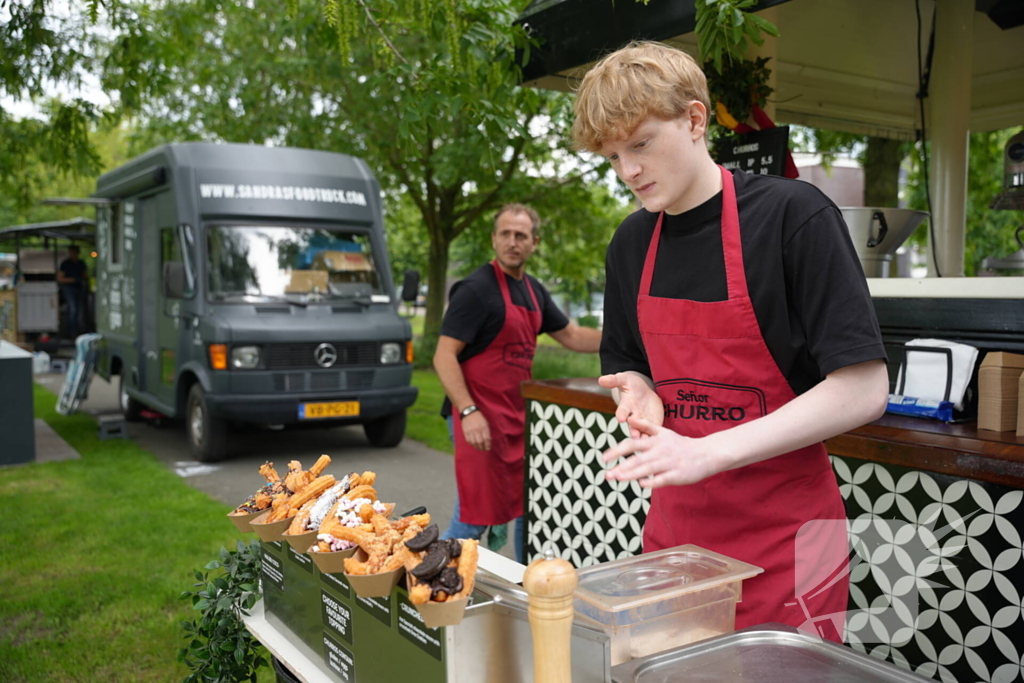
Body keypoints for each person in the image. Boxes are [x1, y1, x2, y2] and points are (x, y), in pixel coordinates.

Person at [572, 42, 890, 639]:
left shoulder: (793, 217)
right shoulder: (631, 244)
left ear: (695, 120)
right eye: (612, 156)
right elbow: (630, 362)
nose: (628, 172)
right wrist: (639, 391)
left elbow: (864, 388)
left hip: (794, 541)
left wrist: (708, 451)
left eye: (640, 144)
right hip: (680, 543)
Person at [433, 204, 602, 563]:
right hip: (475, 417)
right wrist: (469, 411)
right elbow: (443, 356)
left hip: (514, 418)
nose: (513, 242)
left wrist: (628, 338)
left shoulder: (534, 291)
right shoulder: (475, 290)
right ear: (494, 239)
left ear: (534, 242)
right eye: (506, 234)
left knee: (531, 505)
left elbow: (572, 335)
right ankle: (427, 579)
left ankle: (530, 580)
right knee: (473, 519)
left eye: (521, 235)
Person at [57, 245, 88, 340]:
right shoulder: (65, 264)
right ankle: (72, 333)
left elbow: (85, 275)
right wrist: (72, 280)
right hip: (69, 289)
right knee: (73, 310)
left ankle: (81, 332)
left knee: (80, 311)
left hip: (80, 288)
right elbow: (60, 278)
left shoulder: (81, 263)